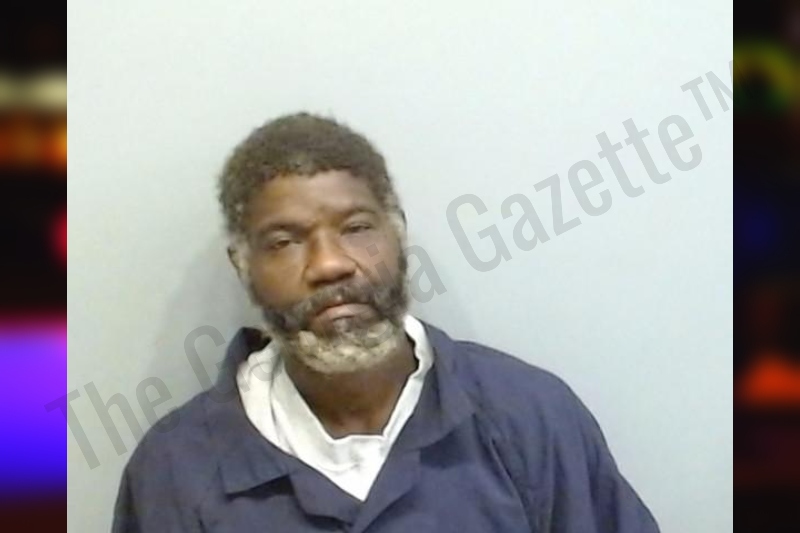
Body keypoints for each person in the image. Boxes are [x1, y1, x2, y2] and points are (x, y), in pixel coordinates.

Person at [112, 112, 660, 532]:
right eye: (284, 241)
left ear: (398, 234)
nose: (330, 264)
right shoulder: (176, 469)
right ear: (243, 265)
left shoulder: (529, 417)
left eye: (356, 228)